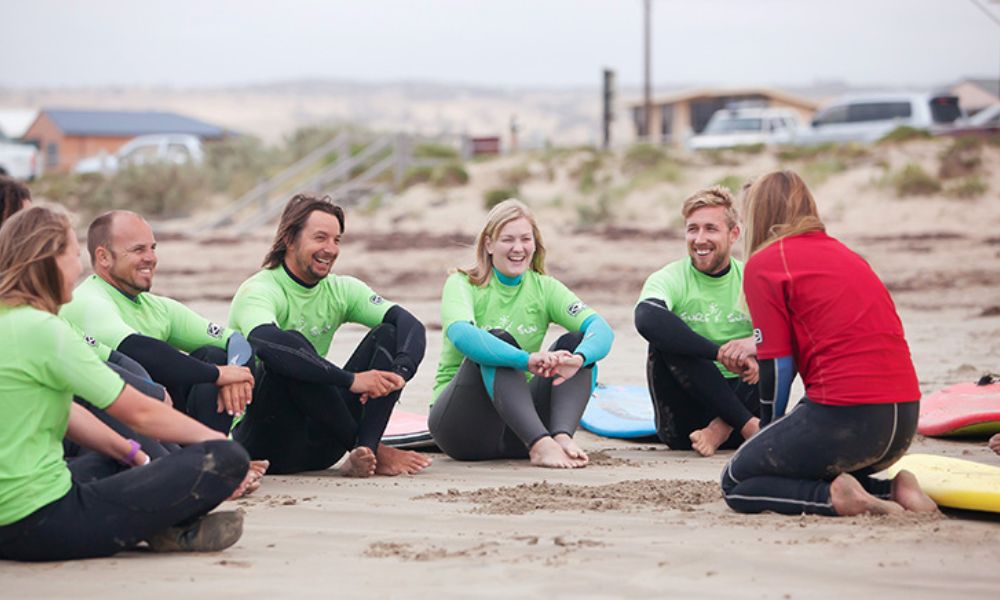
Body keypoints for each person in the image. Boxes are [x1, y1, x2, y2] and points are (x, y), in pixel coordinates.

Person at [0, 206, 251, 561]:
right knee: (224, 459)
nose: (78, 267)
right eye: (73, 255)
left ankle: (162, 523)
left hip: (9, 516)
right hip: (41, 522)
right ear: (48, 262)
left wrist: (133, 454)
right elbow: (140, 414)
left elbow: (68, 411)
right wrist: (218, 443)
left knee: (118, 459)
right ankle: (167, 529)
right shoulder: (45, 331)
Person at [720, 170, 936, 516]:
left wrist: (768, 430)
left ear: (758, 216)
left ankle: (834, 500)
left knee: (735, 481)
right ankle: (894, 489)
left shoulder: (766, 263)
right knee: (798, 458)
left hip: (850, 419)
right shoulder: (847, 255)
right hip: (903, 421)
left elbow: (777, 365)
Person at [228, 194, 432, 477]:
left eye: (337, 240)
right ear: (290, 239)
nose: (330, 249)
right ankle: (368, 449)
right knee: (290, 346)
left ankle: (368, 450)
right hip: (264, 444)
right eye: (320, 238)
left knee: (389, 332)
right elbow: (266, 343)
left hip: (322, 445)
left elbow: (409, 324)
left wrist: (398, 374)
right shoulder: (259, 289)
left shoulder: (342, 289)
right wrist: (350, 381)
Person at [428, 199, 614, 468]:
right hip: (462, 430)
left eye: (526, 239)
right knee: (497, 340)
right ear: (489, 244)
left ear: (535, 244)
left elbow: (601, 330)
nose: (518, 248)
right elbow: (460, 335)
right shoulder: (462, 283)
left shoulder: (544, 288)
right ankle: (540, 445)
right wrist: (524, 360)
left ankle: (560, 436)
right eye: (508, 240)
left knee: (576, 343)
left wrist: (578, 358)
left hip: (518, 430)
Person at [60, 210, 256, 434]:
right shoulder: (87, 301)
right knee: (208, 368)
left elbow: (235, 340)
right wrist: (219, 374)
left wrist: (236, 374)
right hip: (113, 428)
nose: (150, 258)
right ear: (104, 257)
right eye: (138, 250)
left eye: (152, 248)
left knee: (214, 354)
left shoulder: (158, 307)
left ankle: (215, 454)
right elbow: (137, 350)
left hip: (163, 421)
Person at [635, 185, 761, 457]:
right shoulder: (671, 277)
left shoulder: (753, 277)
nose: (699, 239)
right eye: (693, 229)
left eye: (711, 229)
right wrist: (719, 353)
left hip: (751, 408)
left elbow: (794, 329)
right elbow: (646, 318)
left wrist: (754, 346)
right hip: (686, 427)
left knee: (778, 345)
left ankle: (723, 427)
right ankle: (741, 423)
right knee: (666, 338)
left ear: (734, 233)